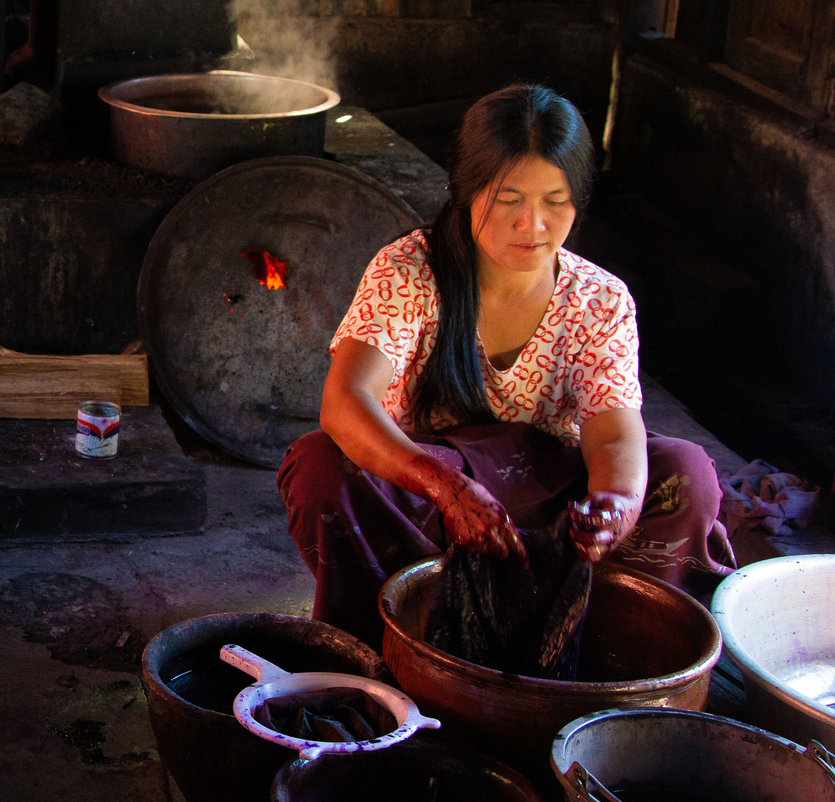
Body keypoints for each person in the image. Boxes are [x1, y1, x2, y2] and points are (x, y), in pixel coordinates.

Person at [279, 83, 737, 647]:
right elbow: (346, 402)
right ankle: (393, 639)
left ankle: (605, 636)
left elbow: (615, 436)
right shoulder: (409, 270)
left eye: (555, 200)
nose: (533, 224)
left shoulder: (601, 299)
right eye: (509, 198)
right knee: (321, 466)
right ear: (465, 189)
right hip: (433, 505)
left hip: (551, 512)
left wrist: (615, 506)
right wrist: (446, 489)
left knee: (685, 474)